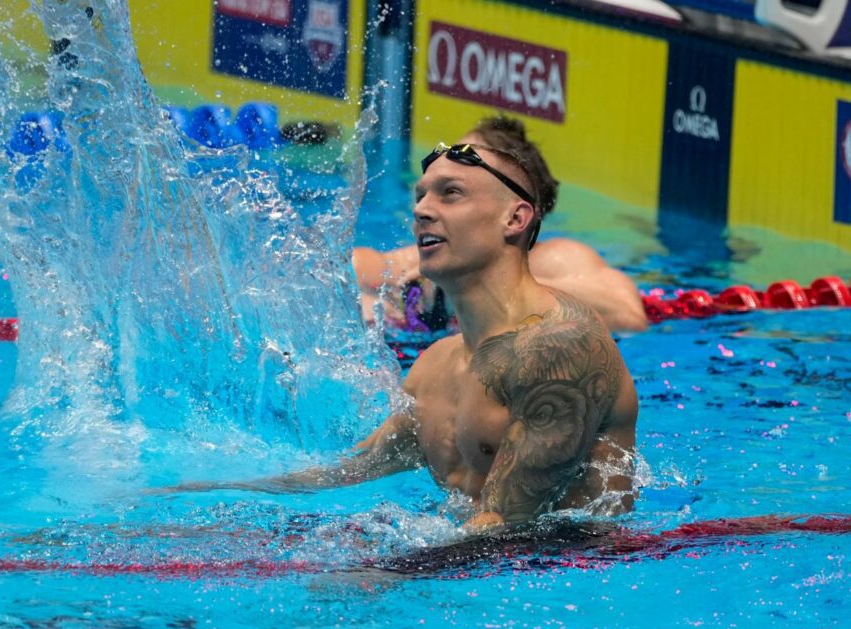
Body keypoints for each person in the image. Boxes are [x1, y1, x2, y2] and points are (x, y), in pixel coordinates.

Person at [160, 121, 639, 531]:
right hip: (467, 578)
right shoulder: (434, 367)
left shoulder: (560, 345)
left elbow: (506, 531)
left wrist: (373, 572)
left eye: (450, 193)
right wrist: (195, 499)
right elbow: (347, 471)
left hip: (562, 592)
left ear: (515, 217)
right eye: (421, 195)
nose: (422, 209)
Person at [353, 118, 649, 333]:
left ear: (514, 213)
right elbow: (351, 268)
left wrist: (484, 284)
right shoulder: (446, 257)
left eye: (454, 188)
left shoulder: (555, 257)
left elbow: (628, 316)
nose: (422, 209)